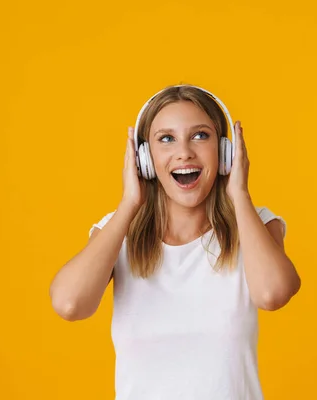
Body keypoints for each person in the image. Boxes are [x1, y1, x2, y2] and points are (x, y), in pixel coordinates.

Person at [49, 84, 301, 400]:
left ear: (225, 153)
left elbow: (273, 294)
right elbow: (69, 304)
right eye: (166, 139)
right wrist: (129, 202)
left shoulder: (256, 225)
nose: (184, 152)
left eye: (200, 136)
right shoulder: (119, 233)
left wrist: (240, 194)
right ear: (144, 158)